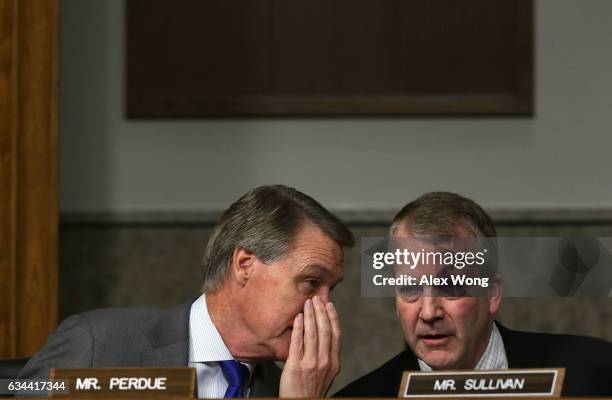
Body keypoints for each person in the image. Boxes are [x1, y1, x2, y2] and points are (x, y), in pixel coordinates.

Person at [19, 185, 355, 398]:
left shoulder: (293, 389)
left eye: (330, 290)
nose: (324, 307)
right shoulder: (97, 342)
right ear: (244, 264)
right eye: (311, 283)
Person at [335, 192, 612, 397]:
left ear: (492, 293)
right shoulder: (361, 396)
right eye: (410, 289)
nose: (429, 312)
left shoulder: (596, 371)